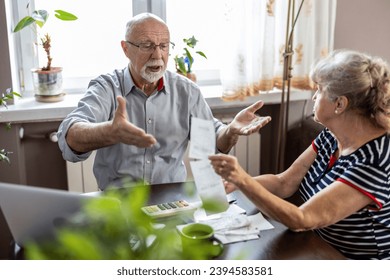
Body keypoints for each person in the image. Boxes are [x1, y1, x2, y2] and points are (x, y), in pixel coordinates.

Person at [57, 13, 271, 191]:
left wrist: (231, 131)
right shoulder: (106, 87)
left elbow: (214, 142)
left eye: (164, 45)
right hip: (118, 204)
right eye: (147, 45)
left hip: (172, 202)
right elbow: (69, 136)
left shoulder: (187, 91)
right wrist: (108, 132)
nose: (157, 55)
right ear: (126, 48)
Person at [209, 49, 390, 260]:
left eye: (320, 90)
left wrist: (243, 180)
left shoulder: (375, 161)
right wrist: (236, 184)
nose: (314, 96)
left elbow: (303, 219)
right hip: (321, 247)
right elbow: (283, 182)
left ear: (340, 104)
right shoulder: (331, 137)